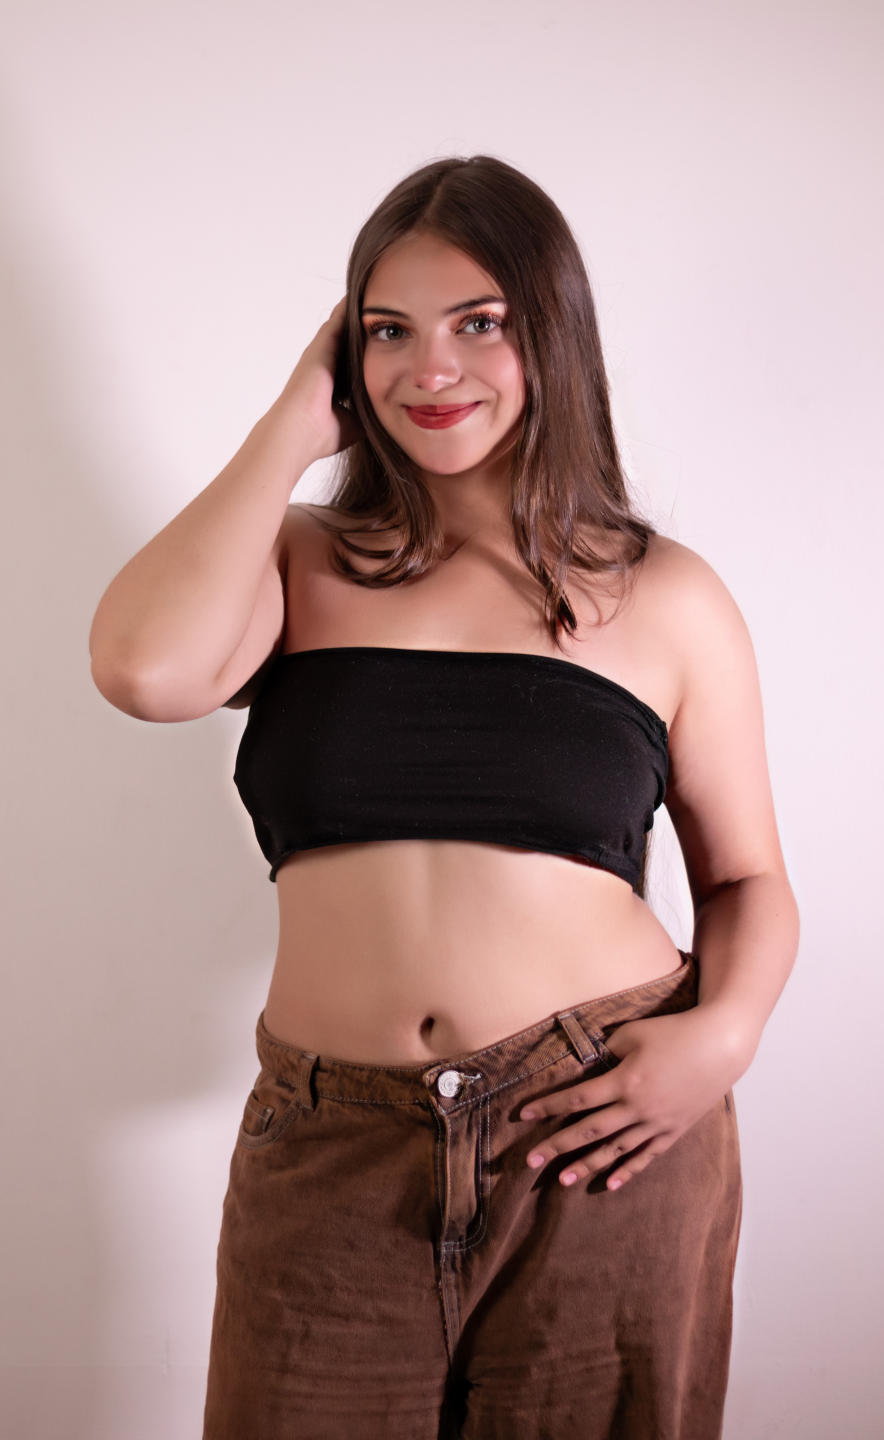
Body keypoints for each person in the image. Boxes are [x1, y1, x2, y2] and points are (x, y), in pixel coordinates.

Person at [88, 154, 799, 1440]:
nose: (430, 369)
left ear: (553, 336)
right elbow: (143, 671)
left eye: (479, 323)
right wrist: (289, 428)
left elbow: (745, 878)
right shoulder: (296, 561)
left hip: (594, 1128)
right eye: (387, 331)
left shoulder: (665, 597)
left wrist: (723, 1036)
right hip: (330, 1143)